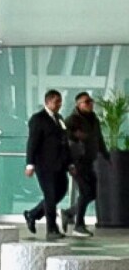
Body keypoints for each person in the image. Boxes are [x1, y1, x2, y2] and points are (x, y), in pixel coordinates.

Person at [22, 89, 72, 241]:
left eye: (60, 101)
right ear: (48, 102)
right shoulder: (38, 119)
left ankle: (33, 214)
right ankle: (52, 229)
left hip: (60, 165)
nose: (59, 104)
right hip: (44, 165)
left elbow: (65, 142)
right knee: (50, 196)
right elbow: (32, 143)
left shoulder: (59, 119)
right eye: (57, 101)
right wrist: (30, 164)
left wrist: (69, 163)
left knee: (61, 191)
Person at [62, 91, 110, 237]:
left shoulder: (93, 118)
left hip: (89, 160)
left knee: (93, 192)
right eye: (86, 102)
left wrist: (105, 155)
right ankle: (79, 224)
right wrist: (75, 136)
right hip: (77, 161)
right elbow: (62, 136)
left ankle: (69, 212)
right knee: (85, 191)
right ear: (78, 104)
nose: (90, 104)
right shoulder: (72, 120)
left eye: (91, 101)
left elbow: (98, 137)